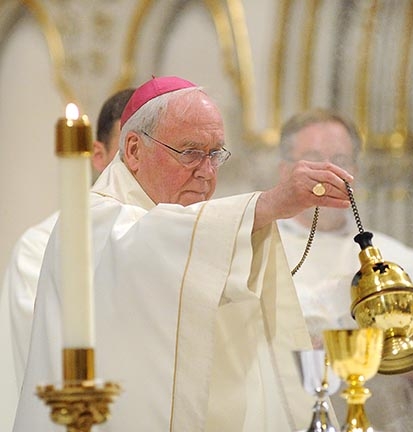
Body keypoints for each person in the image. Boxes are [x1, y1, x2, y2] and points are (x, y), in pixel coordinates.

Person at [12, 76, 354, 432]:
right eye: (191, 152)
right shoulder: (90, 222)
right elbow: (144, 249)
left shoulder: (196, 230)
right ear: (132, 150)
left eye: (215, 155)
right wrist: (268, 204)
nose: (207, 173)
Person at [276, 108, 413, 432]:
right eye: (314, 160)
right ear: (286, 171)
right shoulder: (259, 256)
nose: (330, 173)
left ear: (355, 170)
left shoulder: (400, 261)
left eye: (340, 159)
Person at [0, 88, 134, 432]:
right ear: (97, 155)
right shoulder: (41, 246)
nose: (137, 167)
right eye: (128, 151)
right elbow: (44, 360)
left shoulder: (177, 242)